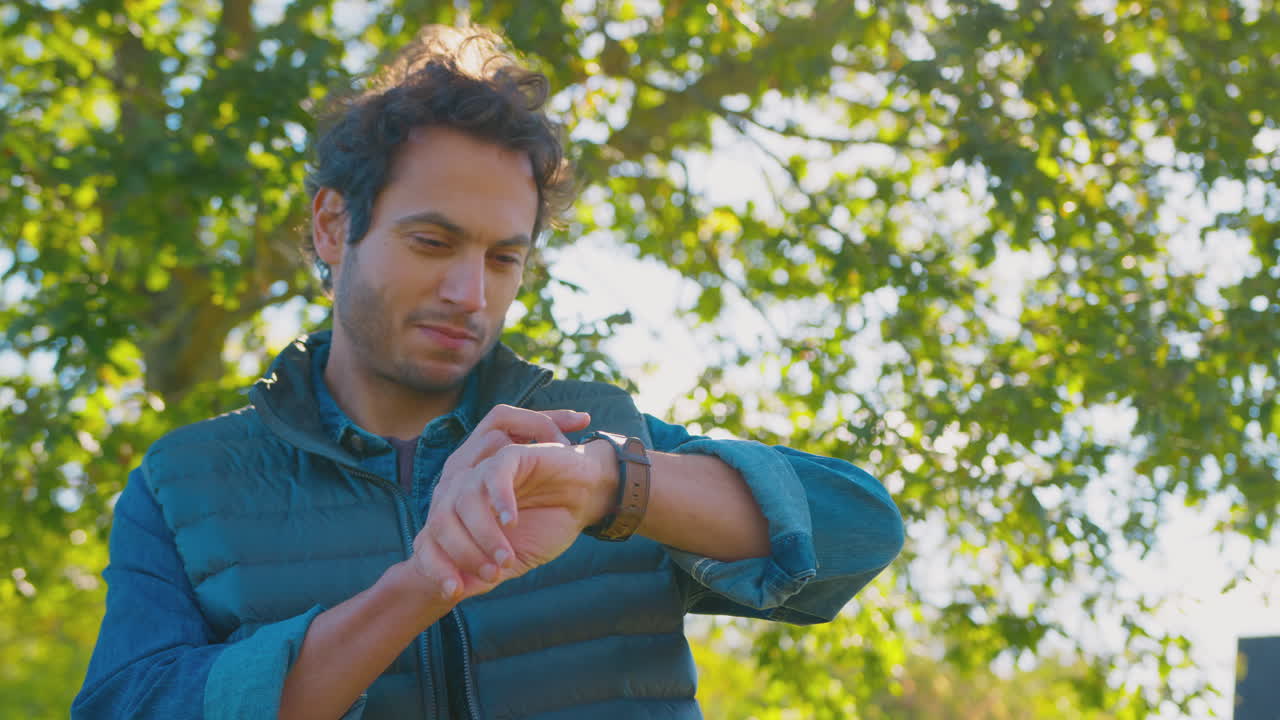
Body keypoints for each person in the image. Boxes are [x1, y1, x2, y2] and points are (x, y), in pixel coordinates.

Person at [72, 25, 904, 720]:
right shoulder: (183, 481)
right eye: (431, 243)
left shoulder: (591, 428)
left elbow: (861, 533)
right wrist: (418, 588)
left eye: (504, 257)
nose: (470, 295)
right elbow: (129, 705)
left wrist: (609, 486)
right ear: (332, 226)